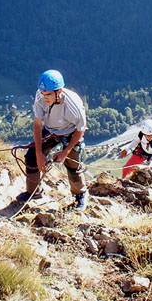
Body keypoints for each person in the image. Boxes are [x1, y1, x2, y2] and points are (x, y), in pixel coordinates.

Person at [17, 70, 90, 211]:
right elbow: (37, 124)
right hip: (51, 130)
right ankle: (34, 191)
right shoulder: (40, 96)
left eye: (48, 94)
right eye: (43, 93)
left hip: (71, 132)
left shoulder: (73, 104)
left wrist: (66, 151)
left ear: (59, 91)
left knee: (72, 163)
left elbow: (81, 129)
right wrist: (39, 152)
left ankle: (80, 194)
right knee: (32, 156)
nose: (45, 97)